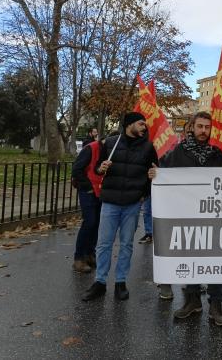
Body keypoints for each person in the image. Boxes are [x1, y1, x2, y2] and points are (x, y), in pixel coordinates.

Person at [150, 111, 222, 327]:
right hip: (186, 217)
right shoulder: (177, 153)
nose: (203, 131)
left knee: (216, 261)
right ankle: (192, 300)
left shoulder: (218, 155)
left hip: (214, 219)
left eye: (207, 127)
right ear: (192, 128)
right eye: (200, 126)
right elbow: (163, 172)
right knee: (192, 259)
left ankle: (216, 305)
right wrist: (155, 174)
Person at [82, 112, 157, 302]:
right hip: (110, 202)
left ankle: (120, 282)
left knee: (126, 244)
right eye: (141, 124)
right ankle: (99, 282)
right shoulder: (111, 143)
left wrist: (144, 193)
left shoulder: (148, 147)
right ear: (129, 125)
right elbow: (98, 167)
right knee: (104, 244)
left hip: (132, 204)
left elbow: (155, 172)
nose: (144, 127)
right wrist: (101, 168)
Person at [71, 135, 103, 273]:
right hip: (88, 191)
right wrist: (87, 186)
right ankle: (79, 258)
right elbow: (76, 169)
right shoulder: (91, 148)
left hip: (100, 191)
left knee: (96, 223)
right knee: (89, 222)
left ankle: (90, 253)